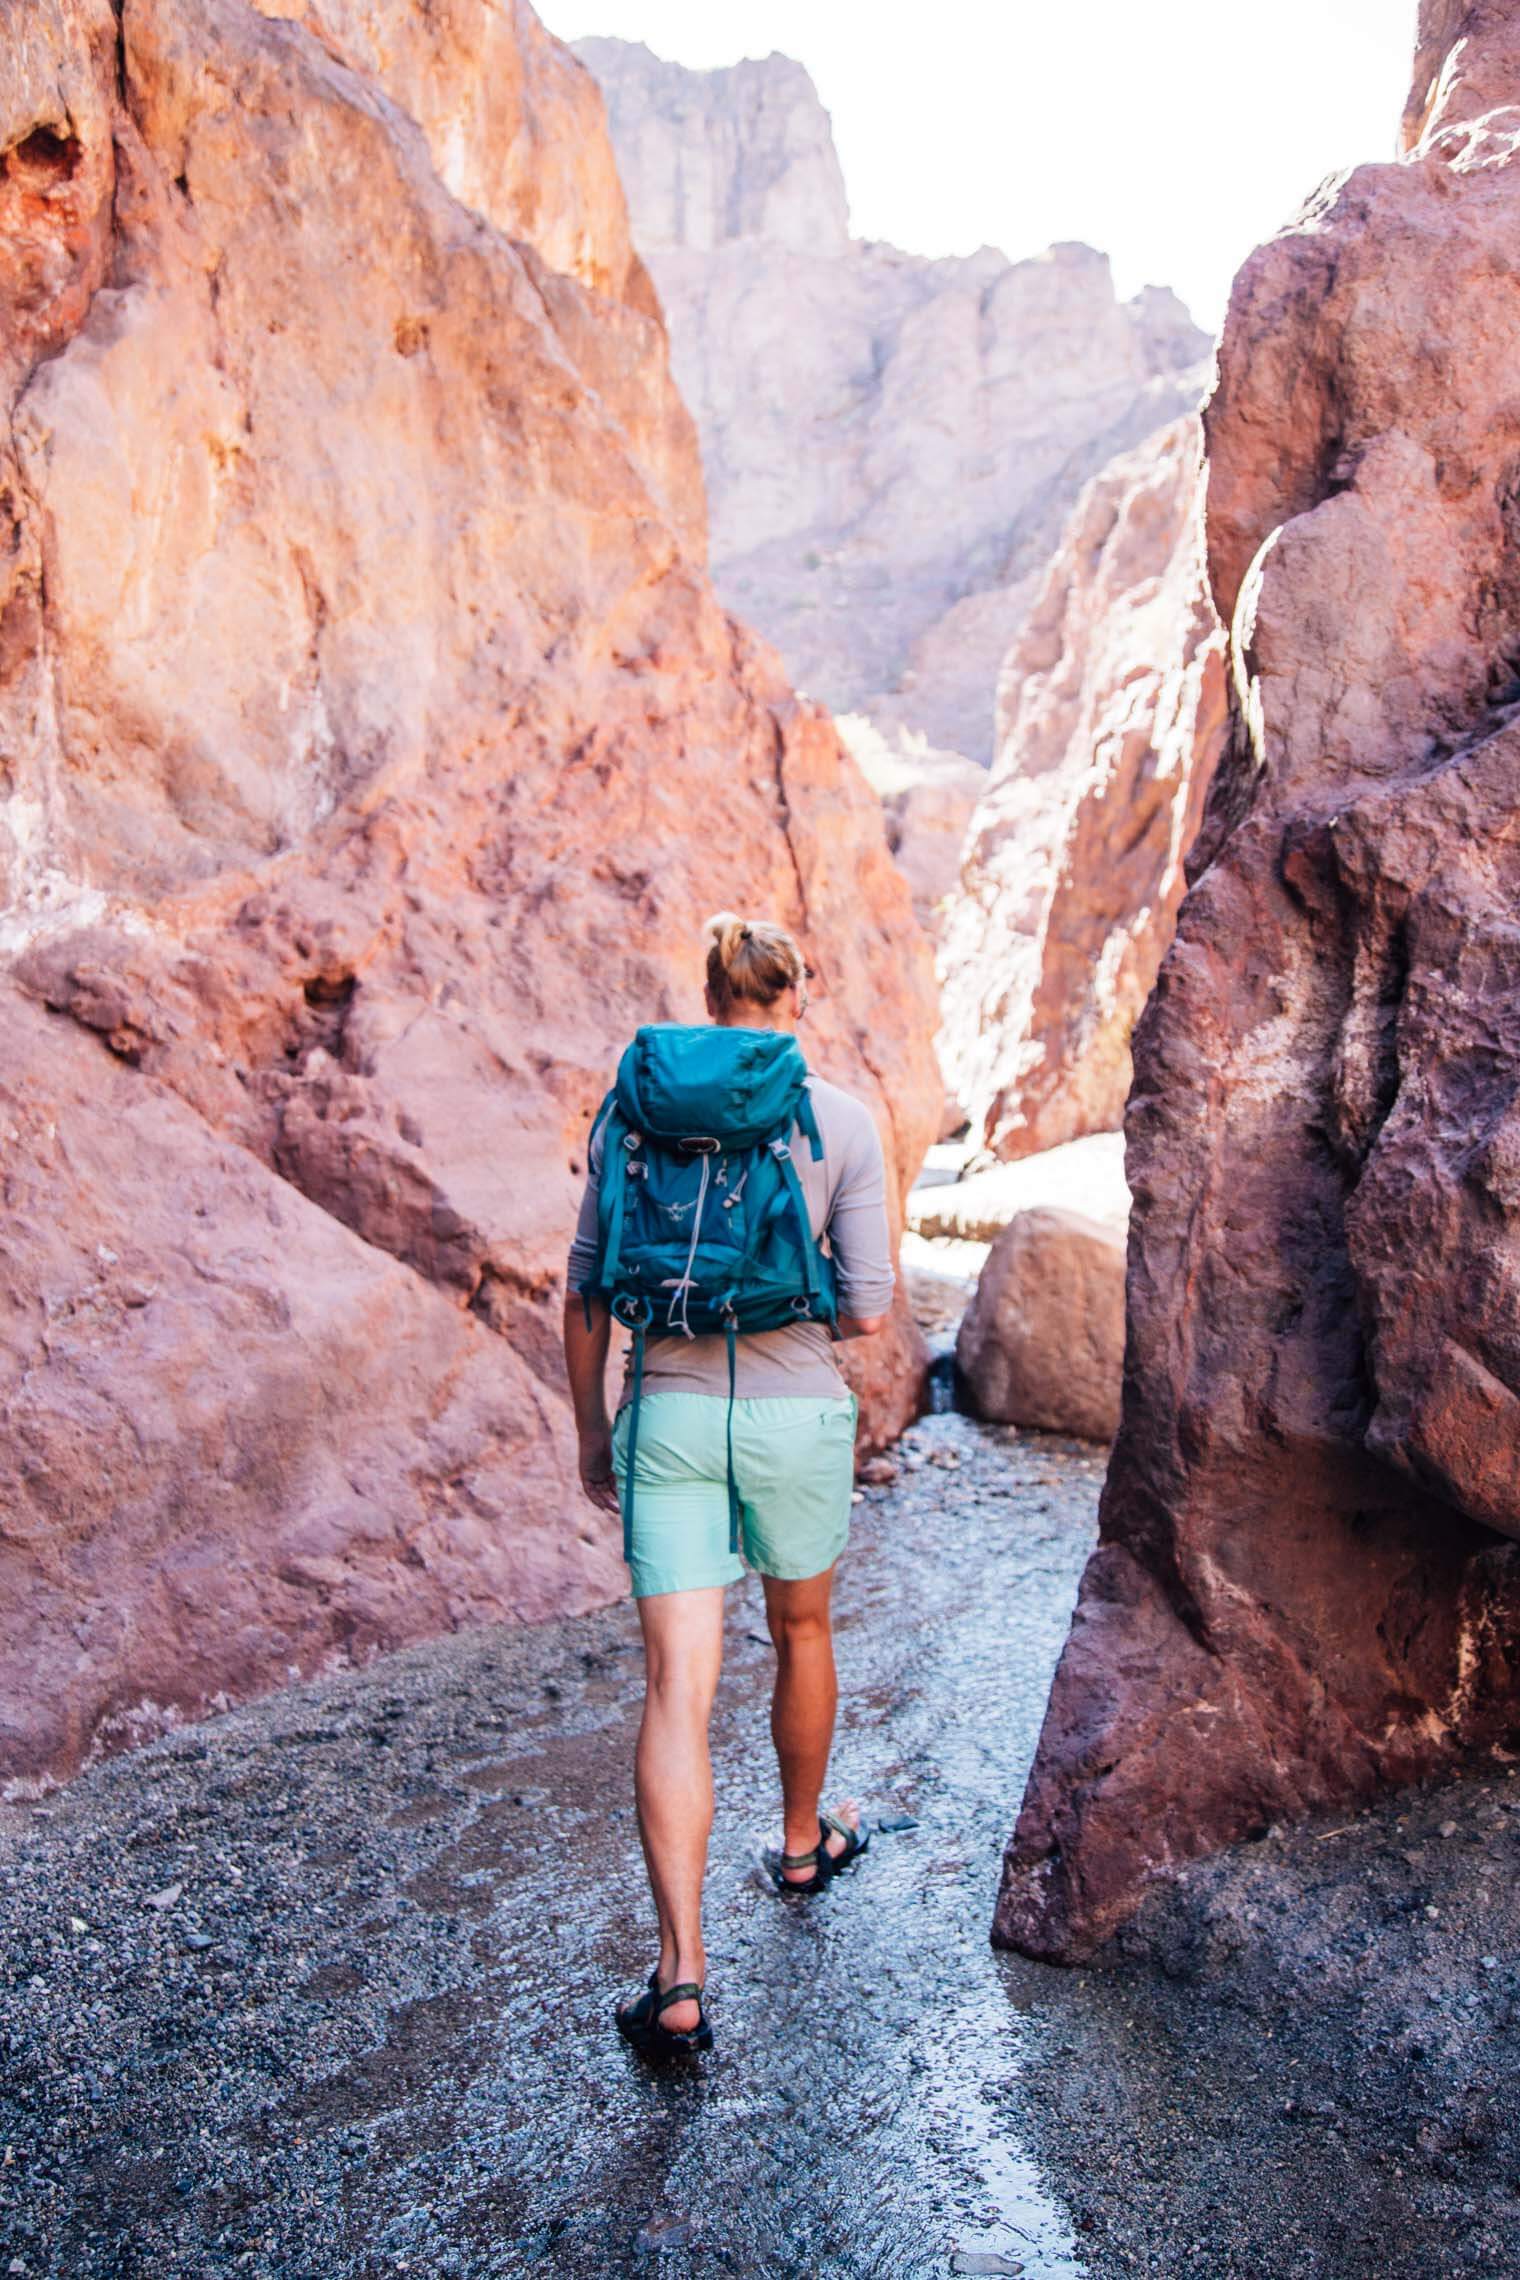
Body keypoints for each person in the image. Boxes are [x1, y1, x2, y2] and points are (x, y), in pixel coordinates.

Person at [562, 911, 894, 2060]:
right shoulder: (841, 1118)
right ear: (796, 996)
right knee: (800, 1629)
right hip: (796, 1415)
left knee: (675, 1686)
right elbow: (865, 1305)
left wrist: (590, 1435)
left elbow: (585, 1293)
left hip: (666, 1413)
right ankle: (801, 1846)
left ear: (709, 999)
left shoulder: (633, 1110)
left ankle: (681, 1975)